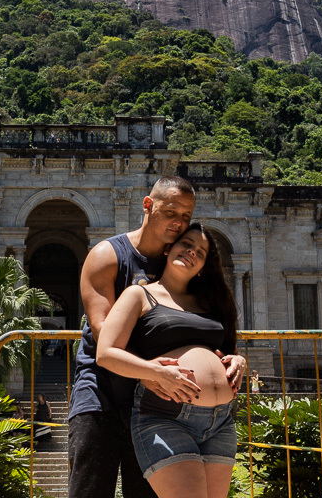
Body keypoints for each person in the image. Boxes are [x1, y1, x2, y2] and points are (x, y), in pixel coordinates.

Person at [69, 175, 244, 498]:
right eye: (171, 213)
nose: (179, 224)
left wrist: (230, 359)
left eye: (186, 217)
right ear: (148, 206)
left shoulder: (181, 264)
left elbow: (200, 330)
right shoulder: (108, 256)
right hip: (103, 395)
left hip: (161, 403)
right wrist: (152, 371)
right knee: (91, 489)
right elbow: (102, 333)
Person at [97, 224, 241, 498]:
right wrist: (154, 372)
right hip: (166, 417)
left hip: (221, 422)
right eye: (186, 244)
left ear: (202, 267)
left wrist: (239, 360)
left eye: (200, 252)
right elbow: (105, 353)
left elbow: (222, 350)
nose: (191, 252)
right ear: (168, 248)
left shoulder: (211, 303)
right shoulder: (139, 294)